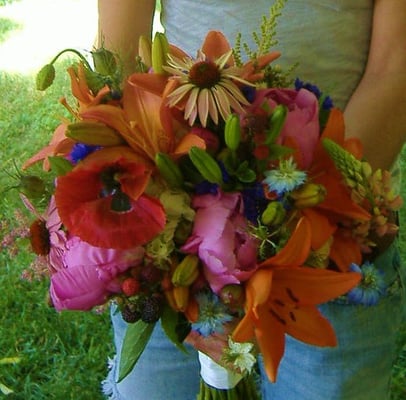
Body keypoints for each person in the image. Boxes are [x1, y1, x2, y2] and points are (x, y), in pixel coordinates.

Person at [98, 1, 406, 399]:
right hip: (173, 233)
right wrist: (185, 246)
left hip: (334, 243)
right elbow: (118, 55)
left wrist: (284, 242)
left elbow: (394, 69)